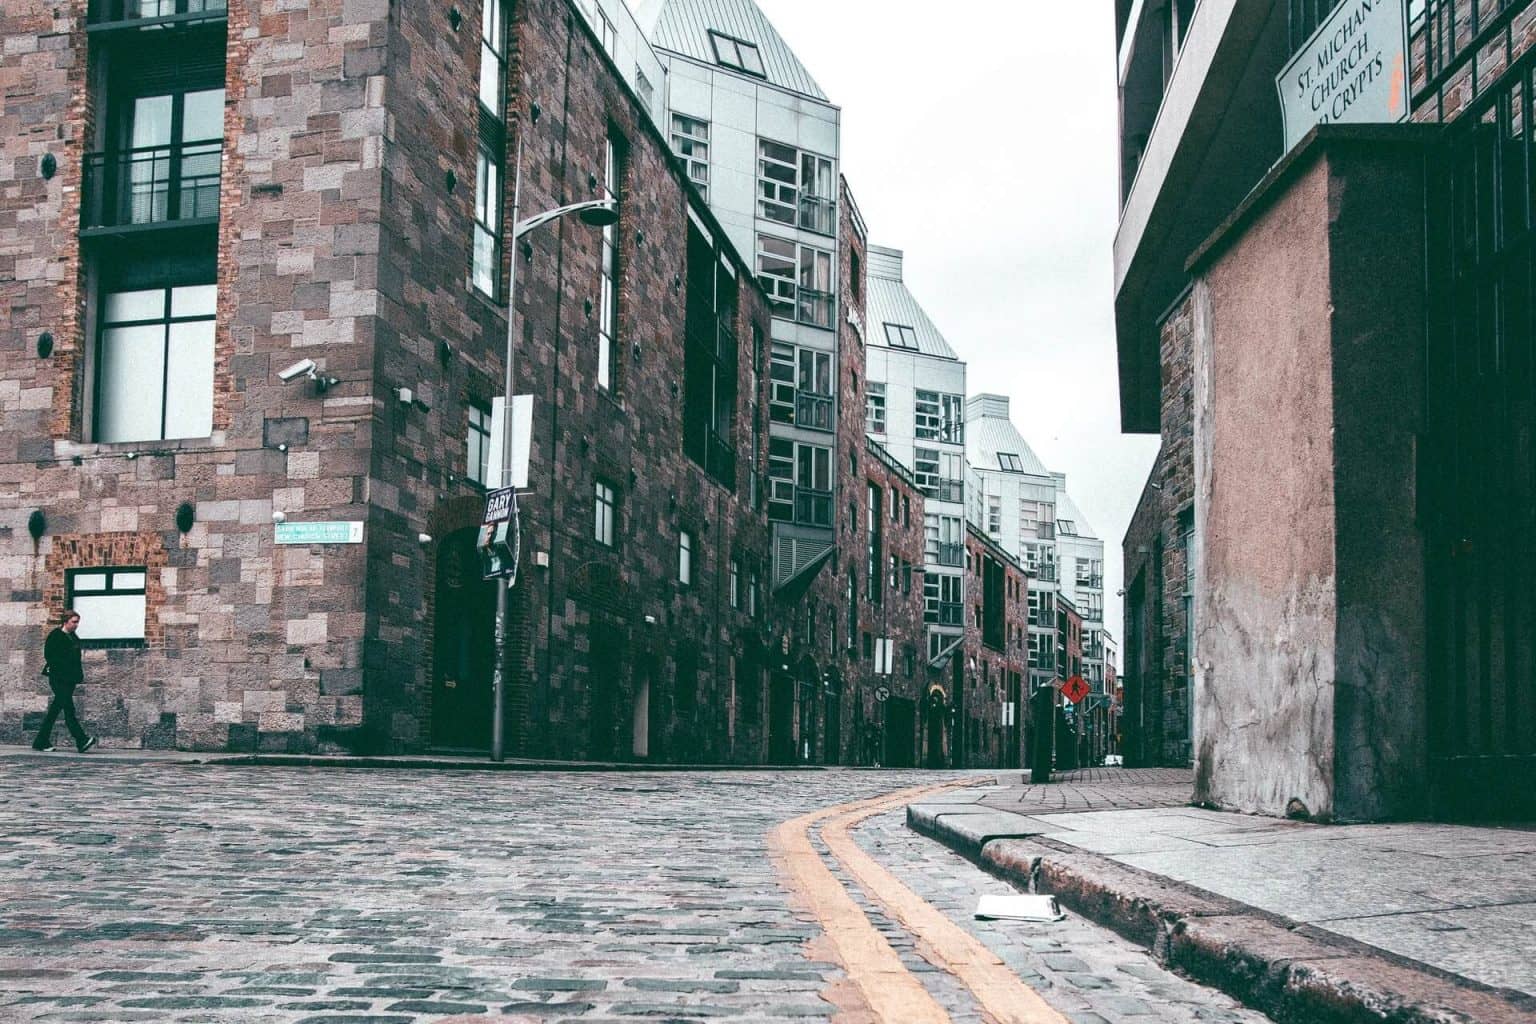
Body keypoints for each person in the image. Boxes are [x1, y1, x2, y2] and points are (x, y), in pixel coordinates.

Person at [31, 610, 97, 753]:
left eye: (77, 622)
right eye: (74, 622)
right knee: (68, 710)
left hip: (69, 680)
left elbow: (76, 659)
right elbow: (49, 656)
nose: (76, 625)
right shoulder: (56, 636)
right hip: (58, 679)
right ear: (65, 621)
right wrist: (62, 670)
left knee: (57, 710)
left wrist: (77, 675)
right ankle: (81, 739)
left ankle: (41, 740)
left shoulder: (73, 637)